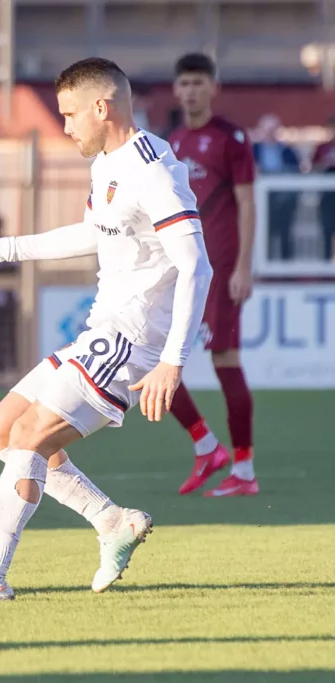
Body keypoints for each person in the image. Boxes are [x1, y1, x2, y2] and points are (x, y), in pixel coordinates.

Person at [0, 57, 212, 604]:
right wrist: (5, 249)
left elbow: (197, 265)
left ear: (102, 107)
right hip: (103, 330)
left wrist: (173, 361)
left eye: (71, 113)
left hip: (130, 340)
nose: (65, 125)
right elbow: (93, 232)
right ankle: (112, 522)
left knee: (29, 436)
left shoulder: (153, 169)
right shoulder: (106, 163)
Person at [167, 53, 258, 497]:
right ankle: (206, 445)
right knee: (152, 359)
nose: (190, 91)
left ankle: (244, 469)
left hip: (219, 269)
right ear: (175, 89)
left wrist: (243, 267)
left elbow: (247, 204)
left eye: (198, 82)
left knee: (225, 360)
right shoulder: (172, 141)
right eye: (184, 83)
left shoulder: (230, 138)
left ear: (213, 88)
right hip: (181, 269)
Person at [252, 114, 301, 261]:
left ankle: (286, 264)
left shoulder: (288, 151)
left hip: (284, 199)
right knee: (264, 232)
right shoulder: (253, 150)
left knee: (285, 231)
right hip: (261, 200)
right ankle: (264, 263)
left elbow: (296, 171)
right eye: (267, 130)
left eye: (273, 129)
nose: (270, 133)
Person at [311, 117, 335, 261]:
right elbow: (313, 167)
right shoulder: (322, 148)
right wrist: (324, 164)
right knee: (327, 227)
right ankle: (327, 260)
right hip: (326, 195)